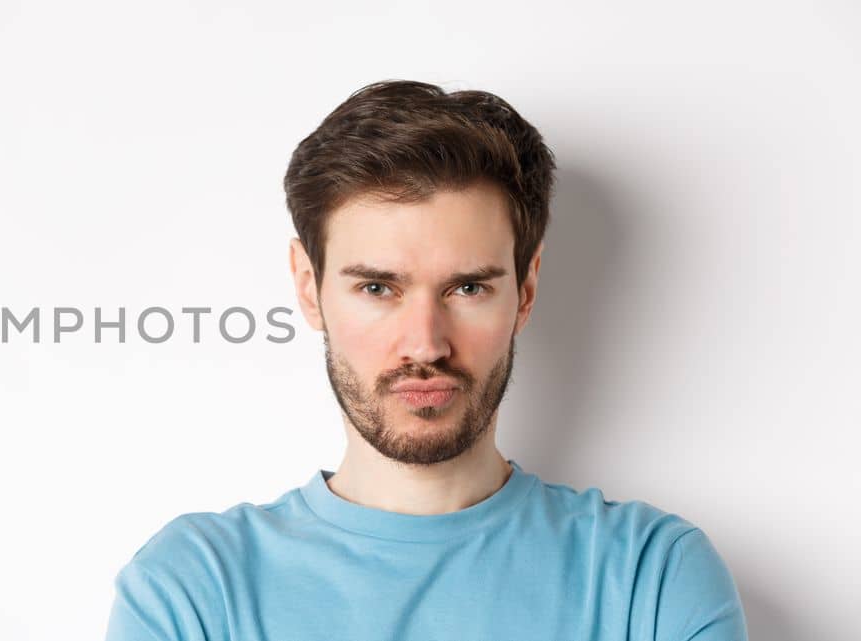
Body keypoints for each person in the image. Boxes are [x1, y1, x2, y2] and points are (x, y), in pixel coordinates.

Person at [102, 80, 748, 641]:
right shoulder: (191, 593)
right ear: (308, 287)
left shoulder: (651, 578)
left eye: (468, 288)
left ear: (525, 290)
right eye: (377, 288)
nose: (425, 343)